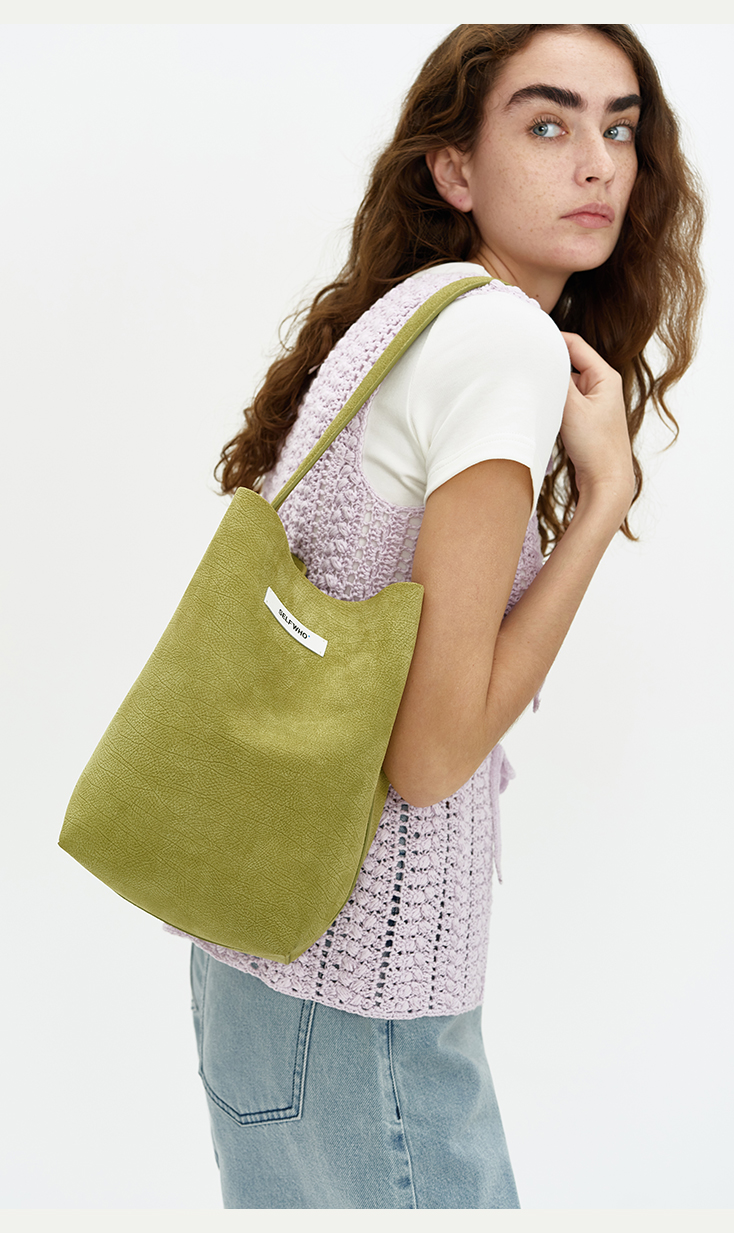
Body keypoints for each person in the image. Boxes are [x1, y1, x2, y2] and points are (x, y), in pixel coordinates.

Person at [169, 24, 704, 1209]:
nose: (598, 162)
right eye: (547, 123)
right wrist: (604, 501)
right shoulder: (501, 342)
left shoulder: (413, 314)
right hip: (365, 1001)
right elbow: (429, 758)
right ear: (453, 169)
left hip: (260, 965)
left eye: (620, 128)